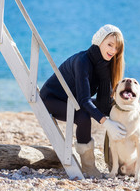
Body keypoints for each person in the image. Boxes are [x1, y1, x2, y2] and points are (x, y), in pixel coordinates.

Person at [39, 24, 127, 178]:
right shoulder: (83, 61)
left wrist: (114, 113)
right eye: (110, 45)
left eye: (117, 47)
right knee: (83, 117)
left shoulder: (103, 65)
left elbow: (103, 104)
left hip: (73, 100)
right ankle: (88, 166)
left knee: (113, 106)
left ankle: (123, 157)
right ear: (99, 41)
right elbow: (85, 101)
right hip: (51, 99)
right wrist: (106, 122)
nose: (113, 51)